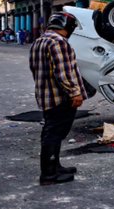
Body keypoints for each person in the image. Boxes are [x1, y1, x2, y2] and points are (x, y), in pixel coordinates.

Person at [29, 12, 87, 185]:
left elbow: (35, 69)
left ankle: (55, 166)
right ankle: (48, 175)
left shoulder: (39, 41)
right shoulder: (58, 42)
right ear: (66, 26)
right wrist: (75, 93)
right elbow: (63, 73)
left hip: (46, 96)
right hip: (61, 98)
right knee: (54, 134)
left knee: (52, 132)